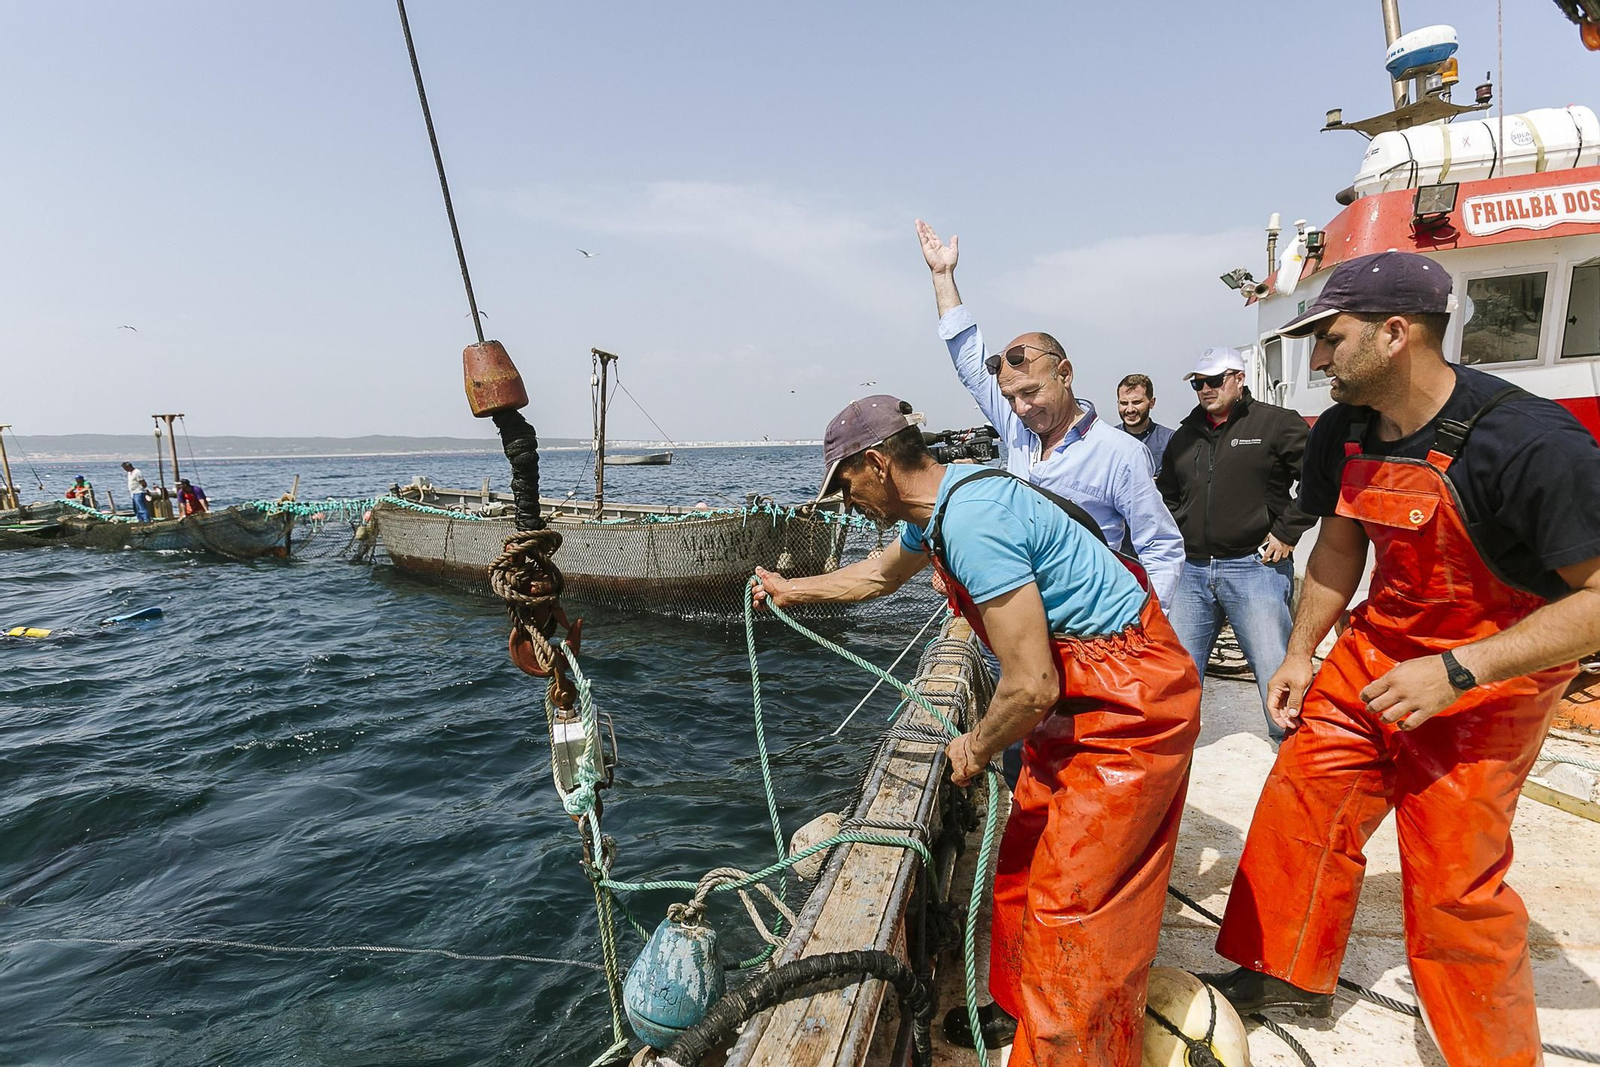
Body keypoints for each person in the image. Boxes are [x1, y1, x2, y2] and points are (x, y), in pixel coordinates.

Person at [1205, 252, 1600, 1067]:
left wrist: (1457, 672)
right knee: (1301, 800)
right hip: (1376, 647)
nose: (1316, 359)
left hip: (1489, 676)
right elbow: (1338, 547)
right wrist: (1302, 651)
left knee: (1454, 876)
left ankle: (1490, 1054)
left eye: (1329, 338)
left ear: (1394, 333)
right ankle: (1282, 966)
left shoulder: (1530, 442)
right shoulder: (1344, 429)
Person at [754, 394, 1200, 1066]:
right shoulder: (937, 510)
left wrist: (977, 743)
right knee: (1020, 869)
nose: (847, 502)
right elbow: (879, 575)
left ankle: (1067, 1051)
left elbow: (1030, 685)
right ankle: (1026, 1018)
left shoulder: (972, 520)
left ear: (877, 462)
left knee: (1072, 910)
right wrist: (794, 589)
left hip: (1130, 703)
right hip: (1075, 703)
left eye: (847, 483)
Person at [916, 219, 1184, 610]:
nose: (1021, 408)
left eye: (1031, 392)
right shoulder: (1018, 431)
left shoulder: (1119, 454)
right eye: (1009, 398)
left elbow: (1160, 548)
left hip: (1089, 627)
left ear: (1065, 374)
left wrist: (1142, 628)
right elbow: (969, 364)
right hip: (1018, 619)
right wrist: (943, 276)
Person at [1156, 346, 1314, 740]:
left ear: (1239, 379)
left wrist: (1287, 531)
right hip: (1191, 572)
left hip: (1254, 568)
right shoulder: (1184, 435)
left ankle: (1290, 750)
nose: (1205, 389)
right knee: (1178, 674)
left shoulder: (1276, 424)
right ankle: (1171, 756)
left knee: (1274, 668)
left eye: (1214, 380)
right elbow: (1167, 495)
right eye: (1198, 383)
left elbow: (1319, 481)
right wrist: (1179, 534)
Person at [1115, 373, 1175, 474]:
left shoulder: (1170, 439)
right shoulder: (1108, 439)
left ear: (1152, 403)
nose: (1130, 410)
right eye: (1124, 403)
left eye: (1136, 402)